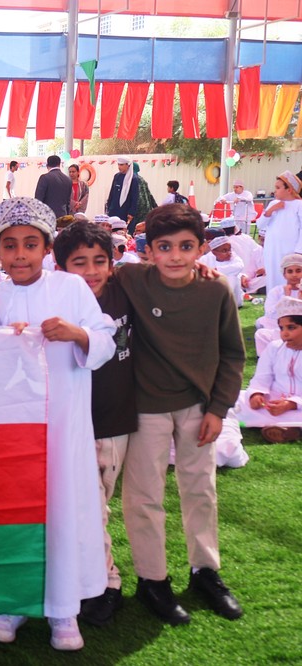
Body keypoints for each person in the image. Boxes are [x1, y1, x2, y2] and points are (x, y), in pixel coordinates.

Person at [0, 197, 115, 652]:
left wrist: (76, 333)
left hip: (64, 422)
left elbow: (104, 337)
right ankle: (12, 602)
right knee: (16, 511)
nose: (20, 255)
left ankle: (64, 609)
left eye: (30, 244)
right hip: (14, 427)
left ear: (46, 248)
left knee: (63, 509)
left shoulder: (71, 288)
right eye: (10, 246)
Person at [114, 203, 245, 627]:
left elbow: (233, 354)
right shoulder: (131, 278)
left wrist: (219, 409)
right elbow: (91, 270)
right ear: (148, 250)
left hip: (197, 407)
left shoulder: (216, 288)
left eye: (186, 247)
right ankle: (153, 580)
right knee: (144, 497)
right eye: (164, 247)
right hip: (145, 409)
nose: (175, 256)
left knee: (201, 489)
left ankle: (205, 571)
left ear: (201, 249)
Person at [52, 221, 135, 628]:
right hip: (65, 424)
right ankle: (89, 580)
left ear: (112, 262)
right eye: (79, 262)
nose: (91, 271)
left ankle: (104, 582)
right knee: (77, 507)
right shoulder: (54, 299)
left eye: (99, 261)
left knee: (96, 507)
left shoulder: (125, 290)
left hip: (110, 419)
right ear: (60, 267)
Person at [236, 297, 302, 443]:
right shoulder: (275, 347)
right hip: (274, 400)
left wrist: (292, 404)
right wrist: (256, 394)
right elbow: (261, 377)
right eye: (281, 328)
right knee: (234, 399)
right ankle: (290, 428)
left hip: (299, 406)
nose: (284, 333)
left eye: (291, 327)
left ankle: (289, 428)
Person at [258, 171, 302, 295]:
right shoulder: (273, 204)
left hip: (291, 251)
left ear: (289, 190)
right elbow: (260, 224)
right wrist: (271, 210)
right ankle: (273, 303)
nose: (275, 191)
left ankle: (292, 304)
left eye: (278, 188)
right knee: (272, 277)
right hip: (272, 250)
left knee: (290, 279)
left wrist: (298, 251)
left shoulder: (299, 205)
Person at [254, 253, 302, 358]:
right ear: (284, 274)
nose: (294, 275)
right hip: (281, 328)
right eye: (290, 271)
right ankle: (270, 357)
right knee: (261, 331)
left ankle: (283, 349)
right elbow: (270, 313)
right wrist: (285, 298)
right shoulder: (276, 291)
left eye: (298, 271)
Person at [200, 236, 245, 307]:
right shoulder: (205, 259)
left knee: (231, 277)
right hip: (211, 290)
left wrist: (217, 270)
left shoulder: (234, 257)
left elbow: (240, 266)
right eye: (224, 251)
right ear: (214, 252)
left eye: (229, 250)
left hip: (233, 297)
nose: (229, 253)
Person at [106, 157, 139, 233]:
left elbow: (135, 197)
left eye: (121, 165)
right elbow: (112, 193)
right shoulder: (117, 176)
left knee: (123, 232)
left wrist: (131, 212)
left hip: (125, 211)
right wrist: (109, 206)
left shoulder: (133, 179)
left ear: (128, 165)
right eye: (118, 164)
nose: (119, 167)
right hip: (114, 209)